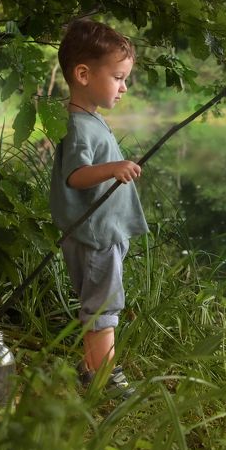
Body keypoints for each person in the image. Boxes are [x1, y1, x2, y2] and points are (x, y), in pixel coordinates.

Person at [50, 19, 148, 394]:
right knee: (103, 304)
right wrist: (113, 169)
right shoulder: (78, 126)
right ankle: (103, 377)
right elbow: (76, 175)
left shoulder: (90, 120)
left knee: (101, 300)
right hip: (95, 237)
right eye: (119, 77)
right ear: (83, 74)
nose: (124, 87)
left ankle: (92, 367)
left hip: (103, 233)